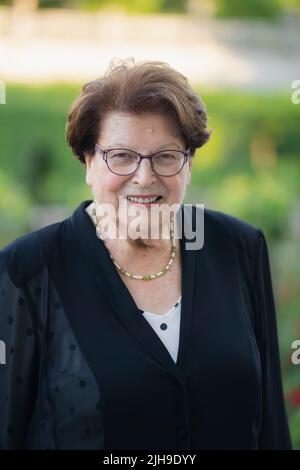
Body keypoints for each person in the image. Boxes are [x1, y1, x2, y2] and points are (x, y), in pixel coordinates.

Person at [0, 59, 292, 450]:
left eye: (166, 156)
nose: (144, 176)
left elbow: (271, 426)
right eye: (121, 156)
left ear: (189, 163)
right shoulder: (27, 270)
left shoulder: (239, 248)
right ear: (88, 161)